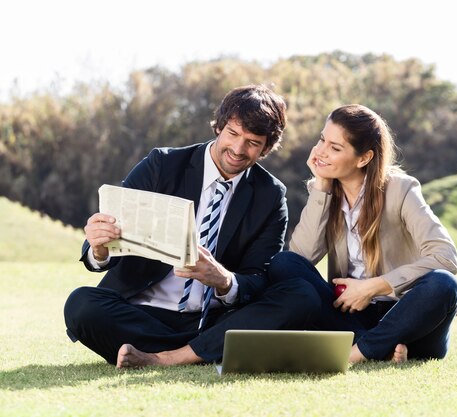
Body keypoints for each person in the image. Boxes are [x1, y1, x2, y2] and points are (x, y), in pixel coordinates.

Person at [64, 85, 320, 368]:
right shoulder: (161, 165)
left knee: (301, 295)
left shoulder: (270, 195)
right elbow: (105, 241)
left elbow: (258, 277)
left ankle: (168, 358)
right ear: (219, 127)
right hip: (143, 314)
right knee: (81, 304)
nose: (238, 149)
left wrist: (223, 280)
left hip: (214, 318)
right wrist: (99, 249)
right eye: (233, 134)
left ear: (266, 148)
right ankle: (206, 352)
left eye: (252, 142)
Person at [269, 104, 457, 364]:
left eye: (335, 148)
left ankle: (359, 352)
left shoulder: (401, 189)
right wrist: (322, 185)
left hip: (407, 315)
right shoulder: (325, 192)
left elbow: (445, 257)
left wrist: (372, 287)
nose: (321, 152)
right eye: (322, 140)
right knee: (283, 263)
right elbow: (302, 258)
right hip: (349, 314)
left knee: (444, 284)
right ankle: (380, 346)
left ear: (364, 158)